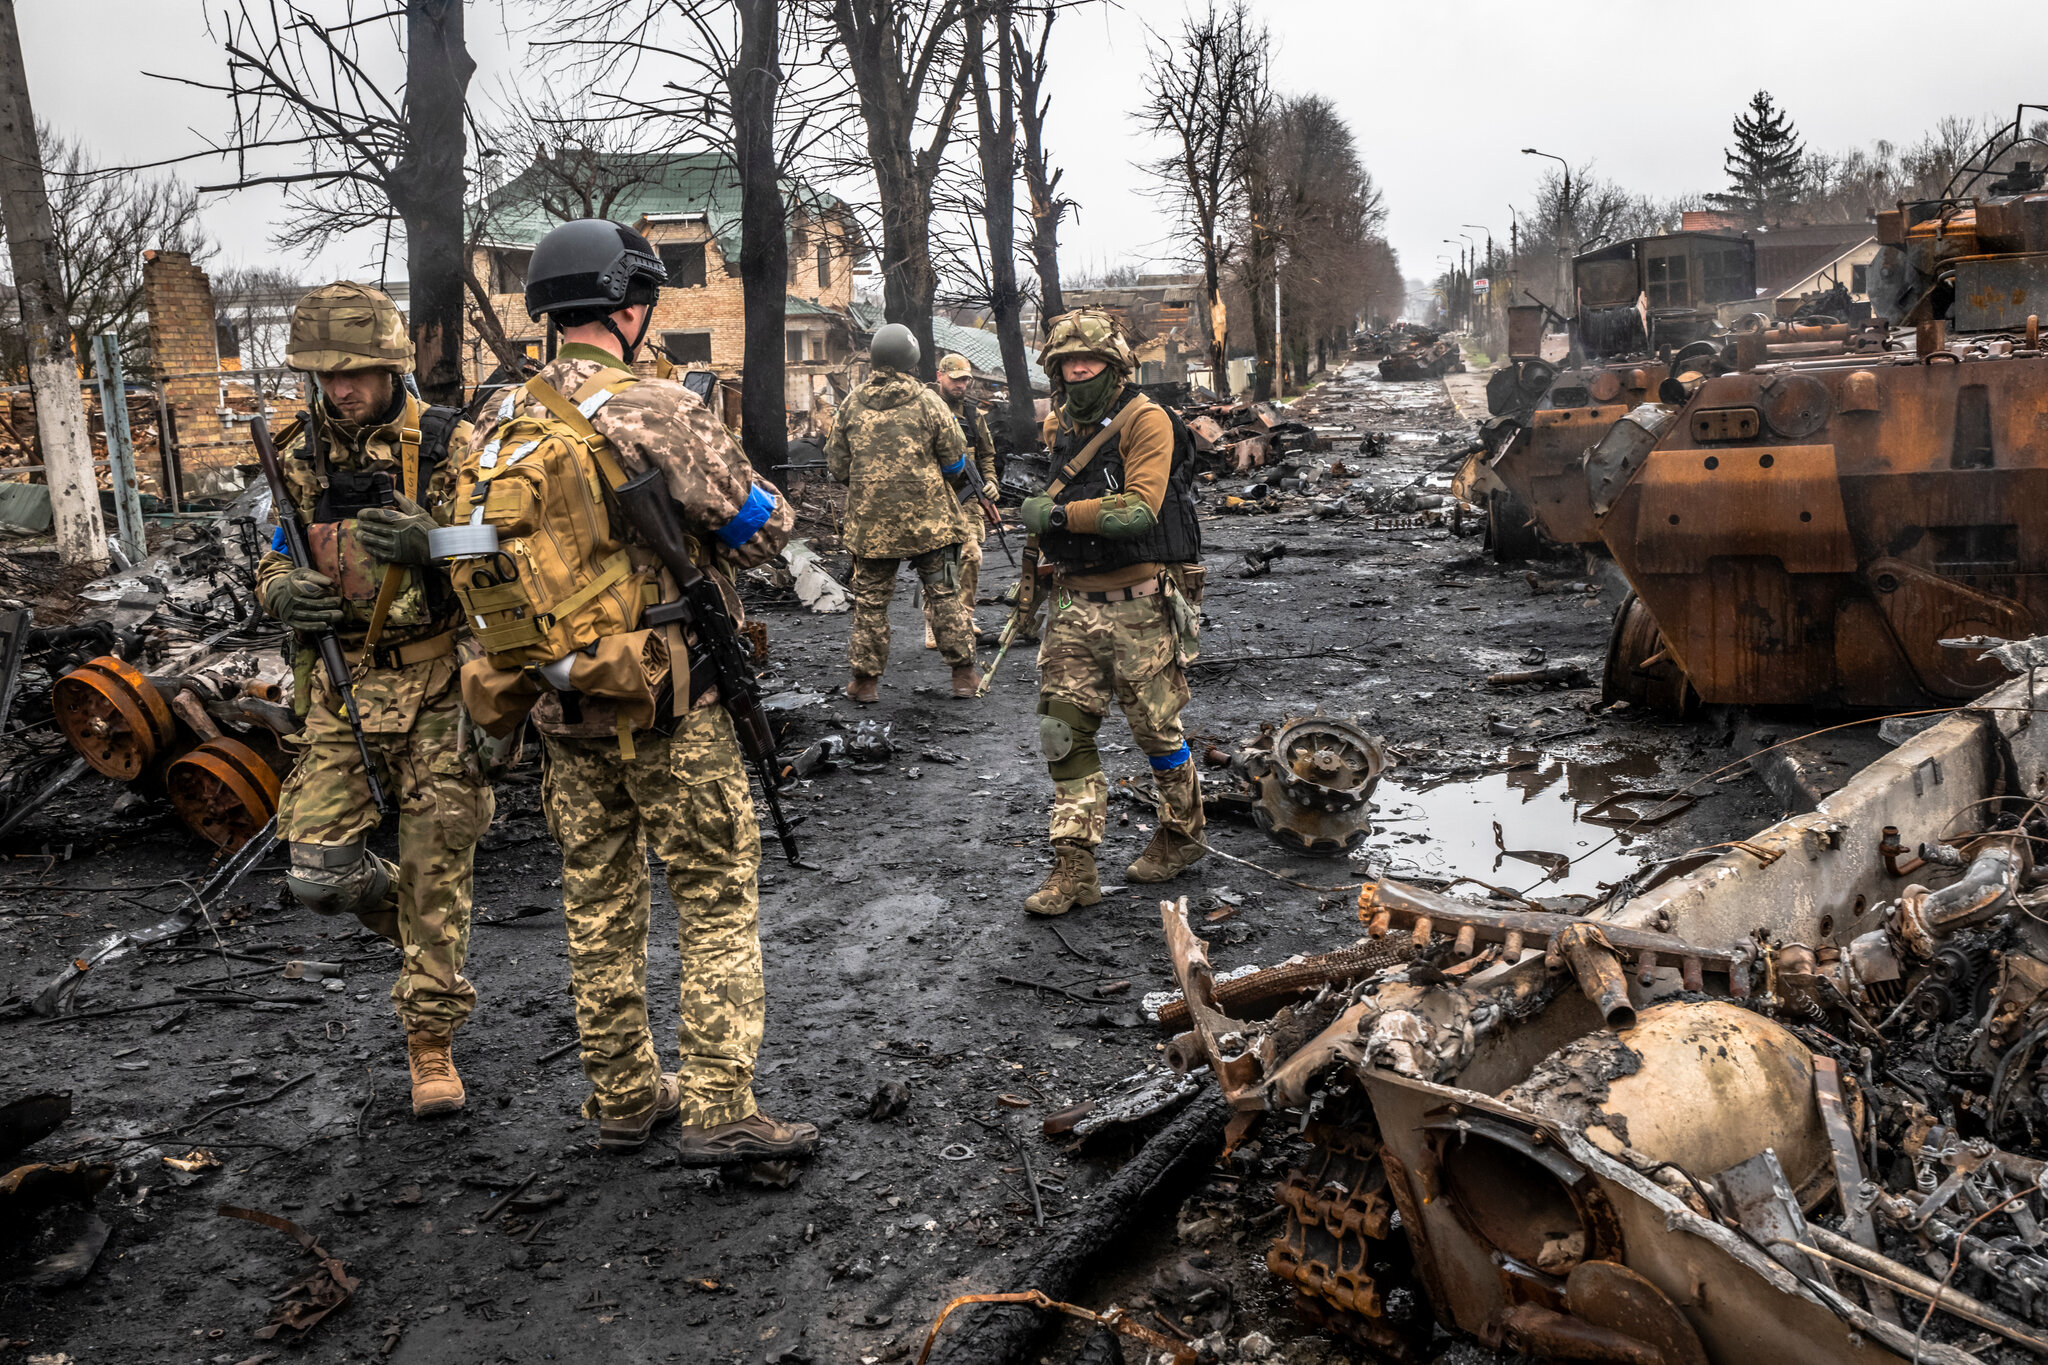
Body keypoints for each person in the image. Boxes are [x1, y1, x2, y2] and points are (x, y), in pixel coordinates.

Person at [482, 217, 815, 1163]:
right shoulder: (655, 406)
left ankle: (625, 1095)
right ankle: (720, 1107)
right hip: (673, 700)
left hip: (559, 700)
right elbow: (764, 526)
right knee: (713, 900)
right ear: (630, 307)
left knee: (597, 903)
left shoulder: (498, 419)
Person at [258, 281, 492, 1117]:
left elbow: (508, 544)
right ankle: (430, 927)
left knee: (439, 864)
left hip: (438, 684)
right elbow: (275, 553)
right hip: (342, 687)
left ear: (392, 364)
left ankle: (430, 1040)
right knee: (318, 873)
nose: (340, 388)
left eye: (355, 370)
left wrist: (437, 542)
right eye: (325, 373)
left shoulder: (450, 441)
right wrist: (284, 589)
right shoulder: (293, 451)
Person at [1016, 309, 1206, 917]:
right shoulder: (1058, 424)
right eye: (1068, 361)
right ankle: (1075, 867)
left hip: (1140, 607)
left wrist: (1059, 517)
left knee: (1157, 734)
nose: (1078, 369)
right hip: (1073, 604)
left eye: (1090, 360)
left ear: (1115, 363)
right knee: (1061, 734)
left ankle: (1182, 834)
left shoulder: (1146, 420)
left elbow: (1138, 512)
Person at [827, 324, 981, 703]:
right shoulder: (929, 403)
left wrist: (870, 487)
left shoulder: (851, 404)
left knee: (870, 604)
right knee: (945, 595)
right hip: (932, 526)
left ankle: (864, 684)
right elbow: (954, 461)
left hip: (871, 529)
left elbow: (836, 465)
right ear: (911, 361)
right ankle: (963, 676)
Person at [925, 352, 1000, 651]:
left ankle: (964, 617)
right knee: (938, 560)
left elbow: (986, 454)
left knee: (971, 556)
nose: (961, 385)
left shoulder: (972, 414)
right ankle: (933, 623)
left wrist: (991, 481)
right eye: (955, 379)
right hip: (932, 496)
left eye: (966, 379)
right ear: (940, 375)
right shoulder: (925, 407)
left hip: (967, 497)